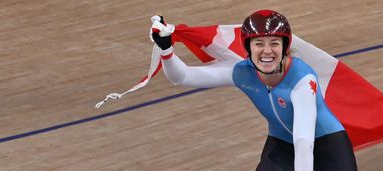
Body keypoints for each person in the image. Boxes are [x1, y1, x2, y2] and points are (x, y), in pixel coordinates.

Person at [150, 9, 358, 171]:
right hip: (282, 143)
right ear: (248, 48)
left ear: (285, 47)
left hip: (327, 145)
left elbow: (304, 142)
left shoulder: (303, 80)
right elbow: (183, 76)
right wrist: (166, 49)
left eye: (274, 43)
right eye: (259, 44)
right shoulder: (242, 73)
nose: (267, 51)